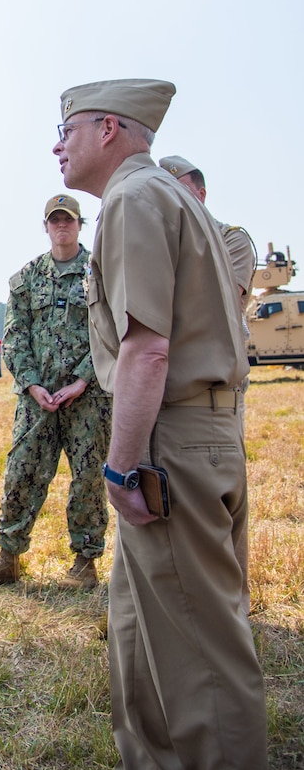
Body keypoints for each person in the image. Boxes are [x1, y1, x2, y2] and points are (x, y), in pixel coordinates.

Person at [53, 79, 268, 770]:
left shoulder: (138, 200)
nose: (57, 145)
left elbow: (146, 350)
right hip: (183, 431)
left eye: (67, 129)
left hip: (169, 436)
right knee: (138, 627)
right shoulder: (162, 198)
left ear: (110, 129)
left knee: (203, 648)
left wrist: (119, 465)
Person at [0, 195, 110, 590]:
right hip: (37, 399)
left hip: (89, 397)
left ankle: (85, 564)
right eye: (55, 220)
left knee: (89, 478)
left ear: (80, 225)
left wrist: (82, 380)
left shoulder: (102, 272)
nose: (62, 225)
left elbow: (111, 332)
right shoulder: (27, 278)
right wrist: (32, 384)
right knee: (22, 473)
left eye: (69, 219)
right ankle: (8, 558)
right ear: (45, 227)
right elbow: (14, 337)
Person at [159, 154, 258, 617]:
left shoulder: (231, 240)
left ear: (197, 191)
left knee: (225, 495)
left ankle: (235, 601)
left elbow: (219, 303)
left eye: (175, 187)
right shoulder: (167, 242)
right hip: (172, 387)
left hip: (219, 387)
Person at [158, 156, 257, 309]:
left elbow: (220, 305)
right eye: (165, 192)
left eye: (181, 191)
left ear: (201, 195)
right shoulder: (158, 242)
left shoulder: (231, 239)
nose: (173, 198)